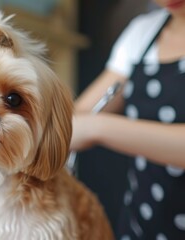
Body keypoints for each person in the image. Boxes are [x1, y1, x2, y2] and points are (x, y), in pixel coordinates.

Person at [70, 0, 185, 239]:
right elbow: (77, 116)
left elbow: (88, 124)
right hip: (141, 226)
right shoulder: (142, 33)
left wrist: (97, 128)